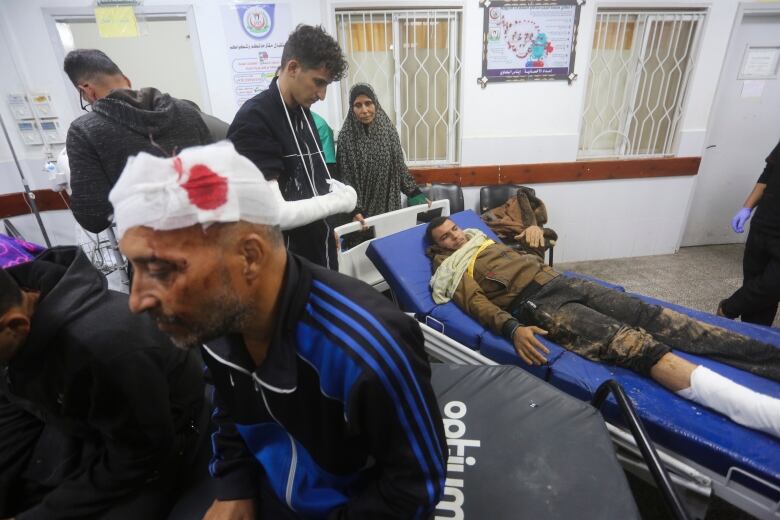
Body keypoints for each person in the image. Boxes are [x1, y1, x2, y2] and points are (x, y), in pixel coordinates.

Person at [109, 142, 446, 519]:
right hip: (270, 495)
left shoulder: (367, 348)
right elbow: (230, 406)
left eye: (160, 270)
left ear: (249, 256)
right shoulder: (215, 317)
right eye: (133, 268)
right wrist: (234, 486)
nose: (136, 301)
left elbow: (416, 487)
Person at [425, 217, 780, 438]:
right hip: (539, 305)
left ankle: (771, 359)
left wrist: (533, 222)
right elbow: (477, 304)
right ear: (437, 247)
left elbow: (526, 213)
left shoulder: (482, 236)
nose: (455, 237)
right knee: (632, 345)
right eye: (446, 237)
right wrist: (513, 329)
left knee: (653, 317)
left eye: (454, 229)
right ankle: (760, 412)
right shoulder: (452, 269)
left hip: (564, 282)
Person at [0, 247, 205, 519]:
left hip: (156, 442)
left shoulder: (105, 350)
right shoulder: (19, 313)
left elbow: (140, 456)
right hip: (77, 416)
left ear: (15, 325)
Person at [228, 25, 355, 270]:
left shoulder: (303, 113)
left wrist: (327, 228)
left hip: (318, 255)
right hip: (281, 269)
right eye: (318, 82)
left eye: (326, 85)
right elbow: (275, 213)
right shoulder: (254, 119)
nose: (322, 95)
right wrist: (342, 202)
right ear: (293, 68)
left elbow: (310, 185)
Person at [64, 48, 224, 233]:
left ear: (87, 91)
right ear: (126, 80)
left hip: (153, 251)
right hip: (211, 239)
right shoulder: (186, 111)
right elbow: (220, 177)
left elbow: (93, 218)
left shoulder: (85, 131)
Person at [337, 83, 427, 225]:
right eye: (358, 105)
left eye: (368, 103)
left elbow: (399, 166)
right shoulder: (346, 137)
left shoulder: (388, 131)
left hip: (388, 205)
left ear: (376, 103)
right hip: (361, 213)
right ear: (351, 108)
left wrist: (414, 192)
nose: (364, 110)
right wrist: (354, 210)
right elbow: (345, 178)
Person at [719, 140, 780, 325]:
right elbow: (766, 176)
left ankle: (727, 309)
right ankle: (751, 342)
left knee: (772, 286)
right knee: (756, 289)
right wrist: (746, 208)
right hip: (764, 222)